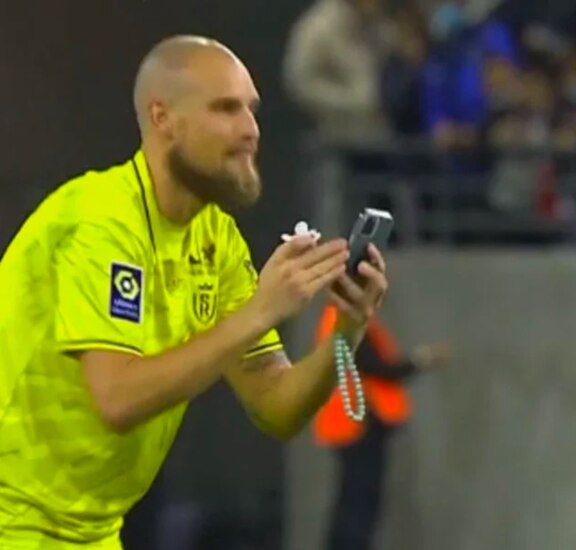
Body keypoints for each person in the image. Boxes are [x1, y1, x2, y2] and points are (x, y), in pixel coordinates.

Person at [0, 35, 388, 548]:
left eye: (251, 110)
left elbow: (276, 406)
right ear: (163, 118)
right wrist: (256, 313)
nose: (250, 130)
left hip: (88, 531)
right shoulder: (101, 220)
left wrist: (347, 328)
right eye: (226, 109)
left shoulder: (215, 238)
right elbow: (115, 398)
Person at [313, 305, 449, 550]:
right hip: (358, 427)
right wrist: (423, 358)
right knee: (359, 503)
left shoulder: (345, 319)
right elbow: (379, 367)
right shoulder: (348, 321)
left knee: (353, 501)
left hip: (353, 425)